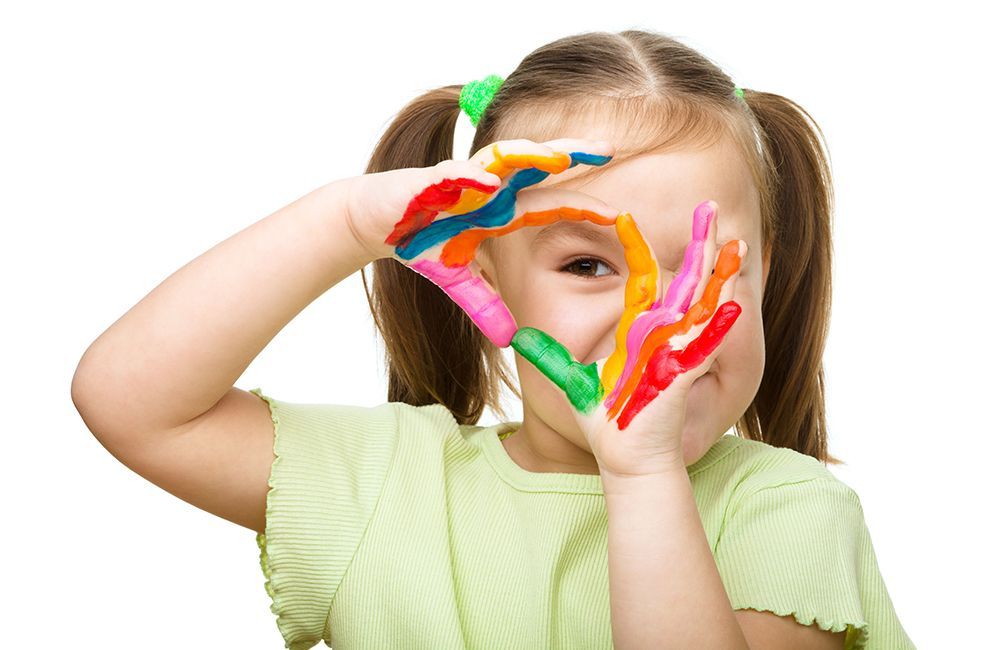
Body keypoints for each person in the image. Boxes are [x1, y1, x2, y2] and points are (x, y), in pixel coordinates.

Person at [71, 29, 914, 649]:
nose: (653, 313)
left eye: (708, 266)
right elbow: (131, 404)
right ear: (488, 282)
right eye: (589, 265)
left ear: (766, 276)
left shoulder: (789, 510)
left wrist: (642, 470)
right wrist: (348, 219)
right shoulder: (390, 486)